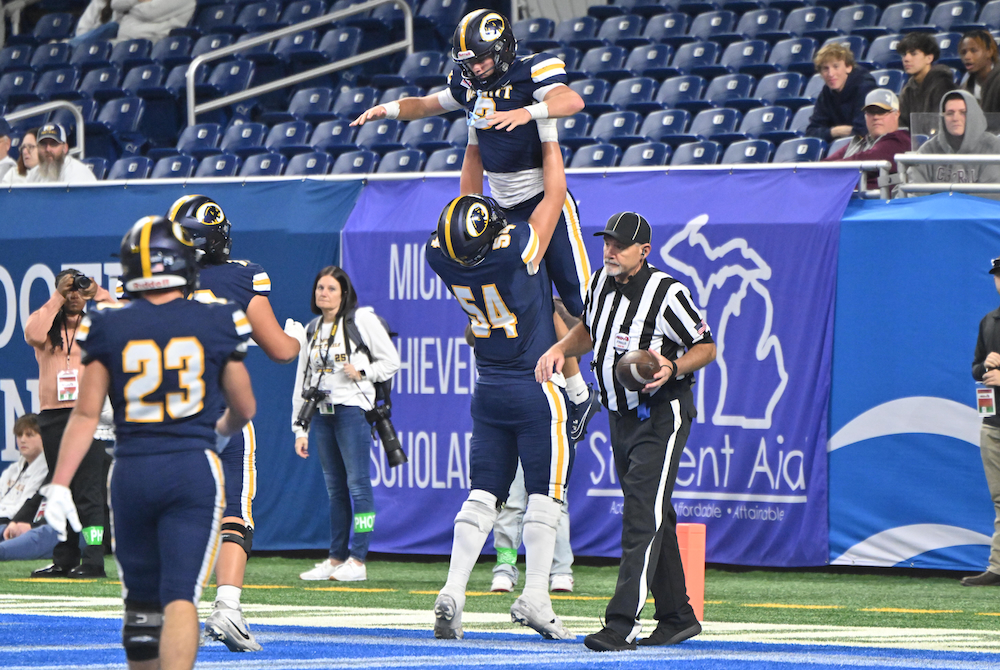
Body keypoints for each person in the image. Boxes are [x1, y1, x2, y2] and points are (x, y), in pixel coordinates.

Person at [352, 10, 601, 443]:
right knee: (532, 302)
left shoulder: (532, 70)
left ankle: (598, 383)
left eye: (481, 59)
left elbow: (573, 101)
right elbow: (428, 105)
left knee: (583, 308)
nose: (475, 68)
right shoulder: (469, 83)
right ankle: (578, 393)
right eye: (469, 61)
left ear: (502, 50)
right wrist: (388, 109)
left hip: (545, 200)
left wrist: (529, 113)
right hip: (501, 206)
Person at [41, 214, 255, 670]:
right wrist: (219, 431)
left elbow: (84, 413)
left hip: (133, 470)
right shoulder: (217, 317)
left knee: (140, 600)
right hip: (191, 469)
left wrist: (59, 483)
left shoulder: (110, 324)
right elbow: (246, 406)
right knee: (179, 595)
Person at [536, 212, 717, 652]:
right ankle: (677, 616)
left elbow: (707, 345)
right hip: (619, 416)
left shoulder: (667, 292)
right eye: (607, 242)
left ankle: (621, 624)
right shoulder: (599, 282)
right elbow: (590, 330)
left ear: (644, 251)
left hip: (661, 413)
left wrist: (673, 365)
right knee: (655, 513)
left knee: (641, 516)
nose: (610, 250)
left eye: (620, 245)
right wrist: (562, 347)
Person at [425, 140, 575, 641]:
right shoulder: (513, 254)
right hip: (536, 387)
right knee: (545, 496)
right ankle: (535, 595)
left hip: (487, 389)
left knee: (482, 496)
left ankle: (453, 588)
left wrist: (474, 143)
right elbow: (554, 193)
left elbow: (466, 202)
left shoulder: (443, 258)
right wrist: (548, 134)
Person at [165, 194, 302, 653]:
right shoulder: (242, 276)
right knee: (233, 513)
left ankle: (169, 606)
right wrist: (298, 337)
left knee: (177, 514)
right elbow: (280, 350)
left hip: (167, 414)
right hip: (222, 410)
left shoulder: (153, 281)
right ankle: (227, 608)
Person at [292, 266, 400, 583]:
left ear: (344, 294)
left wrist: (364, 372)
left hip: (352, 411)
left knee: (358, 486)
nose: (323, 293)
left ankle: (359, 558)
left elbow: (391, 361)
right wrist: (301, 428)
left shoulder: (360, 321)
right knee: (335, 490)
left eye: (331, 289)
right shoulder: (312, 329)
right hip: (322, 414)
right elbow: (302, 382)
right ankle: (336, 557)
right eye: (320, 288)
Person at [23, 267, 116, 578]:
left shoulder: (97, 325)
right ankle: (64, 558)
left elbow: (121, 317)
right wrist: (56, 296)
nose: (74, 295)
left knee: (89, 493)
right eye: (69, 290)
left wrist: (97, 292)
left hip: (85, 415)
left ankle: (93, 561)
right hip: (51, 417)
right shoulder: (47, 326)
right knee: (61, 489)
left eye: (79, 289)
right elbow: (32, 332)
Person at [966, 255, 1000, 587]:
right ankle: (998, 566)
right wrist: (986, 368)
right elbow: (975, 368)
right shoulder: (989, 321)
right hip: (994, 423)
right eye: (998, 276)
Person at [902, 90, 1000, 193]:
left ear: (974, 115)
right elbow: (916, 192)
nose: (955, 118)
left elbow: (991, 196)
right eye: (950, 113)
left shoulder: (993, 147)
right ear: (943, 118)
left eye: (963, 113)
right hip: (936, 209)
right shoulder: (929, 149)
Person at [823, 89, 911, 190]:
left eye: (882, 112)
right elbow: (828, 162)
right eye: (871, 112)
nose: (876, 117)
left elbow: (864, 158)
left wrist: (826, 171)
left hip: (881, 203)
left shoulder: (901, 140)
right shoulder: (860, 142)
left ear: (896, 114)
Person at [0, 415, 60, 562]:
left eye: (29, 435)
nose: (23, 440)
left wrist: (16, 522)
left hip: (15, 522)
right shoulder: (13, 469)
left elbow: (28, 505)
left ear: (43, 438)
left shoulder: (47, 469)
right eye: (19, 435)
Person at [806, 42, 877, 143]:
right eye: (825, 68)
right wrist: (835, 131)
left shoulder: (865, 88)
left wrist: (829, 133)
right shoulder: (826, 92)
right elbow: (811, 132)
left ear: (848, 67)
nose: (830, 74)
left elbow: (862, 131)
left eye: (836, 66)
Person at [895, 32, 954, 130]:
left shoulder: (943, 85)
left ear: (929, 58)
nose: (906, 59)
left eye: (913, 54)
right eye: (904, 54)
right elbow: (902, 125)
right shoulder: (908, 90)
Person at [72, 0, 196, 46]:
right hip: (123, 41)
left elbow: (149, 12)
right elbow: (117, 3)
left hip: (151, 42)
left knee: (101, 45)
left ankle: (69, 46)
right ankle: (69, 47)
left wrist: (134, 6)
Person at [25, 124, 97, 184]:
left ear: (65, 148)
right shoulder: (35, 173)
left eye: (53, 144)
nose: (47, 149)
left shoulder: (77, 172)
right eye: (43, 144)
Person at [960, 30, 1000, 114]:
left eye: (974, 51)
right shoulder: (964, 87)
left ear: (989, 52)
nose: (967, 57)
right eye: (963, 52)